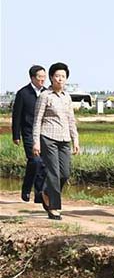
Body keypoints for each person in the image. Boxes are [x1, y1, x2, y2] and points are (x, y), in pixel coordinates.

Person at [31, 62, 80, 220]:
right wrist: (36, 142)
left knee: (64, 173)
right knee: (53, 172)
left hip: (64, 138)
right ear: (51, 78)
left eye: (63, 77)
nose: (60, 79)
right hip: (48, 137)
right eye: (57, 76)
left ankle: (45, 192)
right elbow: (37, 120)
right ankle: (53, 208)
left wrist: (75, 140)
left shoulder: (67, 97)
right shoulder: (45, 96)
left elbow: (71, 120)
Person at [12, 65, 47, 203]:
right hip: (28, 133)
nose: (42, 80)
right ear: (32, 78)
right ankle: (26, 188)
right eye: (40, 77)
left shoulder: (46, 93)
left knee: (43, 164)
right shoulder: (23, 93)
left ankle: (39, 194)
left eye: (44, 77)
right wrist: (16, 135)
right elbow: (17, 115)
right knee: (35, 160)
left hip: (44, 133)